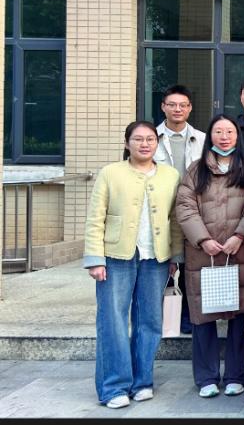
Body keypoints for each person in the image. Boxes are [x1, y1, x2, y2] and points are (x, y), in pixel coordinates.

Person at [83, 121, 182, 409]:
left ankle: (142, 381)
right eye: (138, 139)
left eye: (150, 139)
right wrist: (95, 258)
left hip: (156, 258)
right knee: (113, 320)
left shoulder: (170, 175)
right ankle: (114, 386)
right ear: (127, 143)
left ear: (157, 143)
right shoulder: (110, 173)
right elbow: (95, 217)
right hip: (116, 257)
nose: (144, 144)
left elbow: (174, 220)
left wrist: (175, 257)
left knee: (149, 321)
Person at [175, 115, 244, 399]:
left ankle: (236, 376)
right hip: (204, 255)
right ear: (209, 136)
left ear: (238, 136)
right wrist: (203, 239)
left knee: (239, 317)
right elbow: (185, 206)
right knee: (203, 318)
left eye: (230, 132)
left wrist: (240, 235)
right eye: (218, 132)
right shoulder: (196, 169)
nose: (224, 137)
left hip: (241, 252)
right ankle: (206, 377)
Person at [154, 84, 205, 333]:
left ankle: (187, 317)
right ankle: (158, 317)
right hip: (160, 212)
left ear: (190, 108)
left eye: (183, 105)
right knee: (161, 263)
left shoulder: (202, 139)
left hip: (193, 211)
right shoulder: (150, 138)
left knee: (189, 265)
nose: (177, 109)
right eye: (172, 104)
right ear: (163, 107)